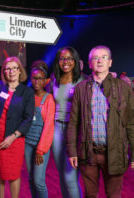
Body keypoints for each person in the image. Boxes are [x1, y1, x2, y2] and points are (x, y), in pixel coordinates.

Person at [67, 45, 134, 198]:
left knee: (113, 195)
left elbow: (132, 125)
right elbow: (73, 122)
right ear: (90, 64)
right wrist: (72, 151)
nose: (100, 61)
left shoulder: (124, 89)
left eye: (104, 57)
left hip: (114, 152)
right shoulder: (80, 89)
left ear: (110, 62)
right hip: (88, 153)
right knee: (90, 195)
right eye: (95, 58)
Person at [0, 56, 35, 198]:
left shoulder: (27, 92)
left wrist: (13, 136)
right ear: (4, 72)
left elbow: (28, 118)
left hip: (15, 137)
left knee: (13, 174)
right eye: (7, 68)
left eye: (14, 68)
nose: (11, 71)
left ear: (20, 71)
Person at [49, 46, 84, 198]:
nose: (65, 62)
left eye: (69, 58)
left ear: (75, 61)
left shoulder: (83, 80)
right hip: (57, 129)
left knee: (70, 177)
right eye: (62, 58)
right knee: (62, 175)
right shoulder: (54, 80)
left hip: (74, 130)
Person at [24, 60, 55, 198]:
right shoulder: (28, 96)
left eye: (40, 78)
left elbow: (49, 127)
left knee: (39, 182)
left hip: (40, 147)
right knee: (31, 179)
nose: (37, 81)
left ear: (46, 81)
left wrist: (40, 150)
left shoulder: (49, 99)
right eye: (34, 78)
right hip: (27, 144)